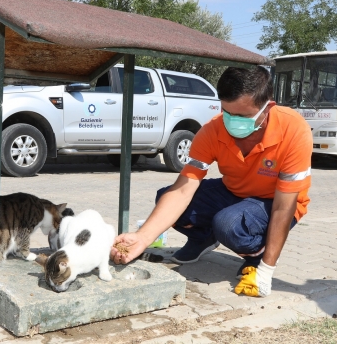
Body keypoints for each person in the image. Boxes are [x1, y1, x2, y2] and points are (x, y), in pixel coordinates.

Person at [110, 66, 312, 297]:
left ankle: (256, 256)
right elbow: (182, 192)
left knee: (227, 224)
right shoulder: (213, 130)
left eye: (243, 116)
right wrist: (143, 237)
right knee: (165, 196)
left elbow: (283, 207)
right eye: (227, 113)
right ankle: (203, 238)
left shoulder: (293, 130)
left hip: (273, 201)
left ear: (268, 108)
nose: (233, 122)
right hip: (234, 191)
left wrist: (267, 269)